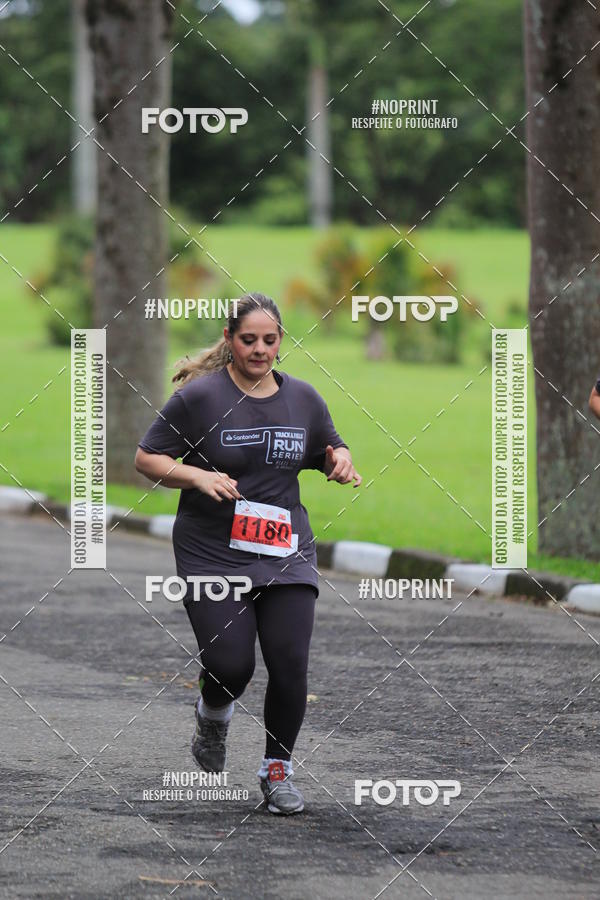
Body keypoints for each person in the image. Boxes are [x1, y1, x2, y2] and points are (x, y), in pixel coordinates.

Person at [134, 292, 361, 815]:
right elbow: (147, 458)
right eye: (248, 339)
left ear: (281, 342)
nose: (259, 349)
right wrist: (198, 476)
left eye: (270, 339)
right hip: (211, 550)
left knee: (289, 663)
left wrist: (339, 462)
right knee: (230, 665)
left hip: (284, 548)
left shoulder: (303, 398)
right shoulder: (200, 399)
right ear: (229, 341)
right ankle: (213, 713)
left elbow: (330, 448)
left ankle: (276, 771)